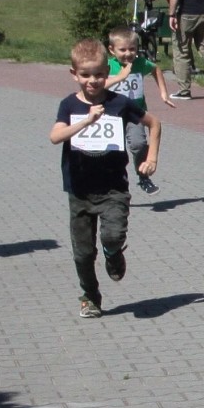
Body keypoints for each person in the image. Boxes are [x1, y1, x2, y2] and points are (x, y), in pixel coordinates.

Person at [49, 38, 162, 318]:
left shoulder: (119, 103)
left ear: (107, 73)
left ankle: (113, 253)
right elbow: (55, 136)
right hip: (79, 190)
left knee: (112, 235)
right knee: (83, 253)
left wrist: (151, 158)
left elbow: (154, 123)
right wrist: (86, 121)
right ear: (74, 74)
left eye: (100, 74)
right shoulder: (69, 105)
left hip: (113, 187)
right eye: (86, 75)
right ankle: (90, 296)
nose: (93, 80)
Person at [105, 26, 174, 196]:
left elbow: (156, 69)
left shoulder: (141, 63)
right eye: (122, 50)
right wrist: (118, 77)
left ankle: (143, 176)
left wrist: (163, 93)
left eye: (132, 49)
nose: (128, 54)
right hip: (113, 116)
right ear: (112, 50)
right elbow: (100, 86)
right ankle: (115, 182)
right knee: (115, 150)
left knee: (138, 144)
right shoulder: (107, 66)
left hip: (136, 114)